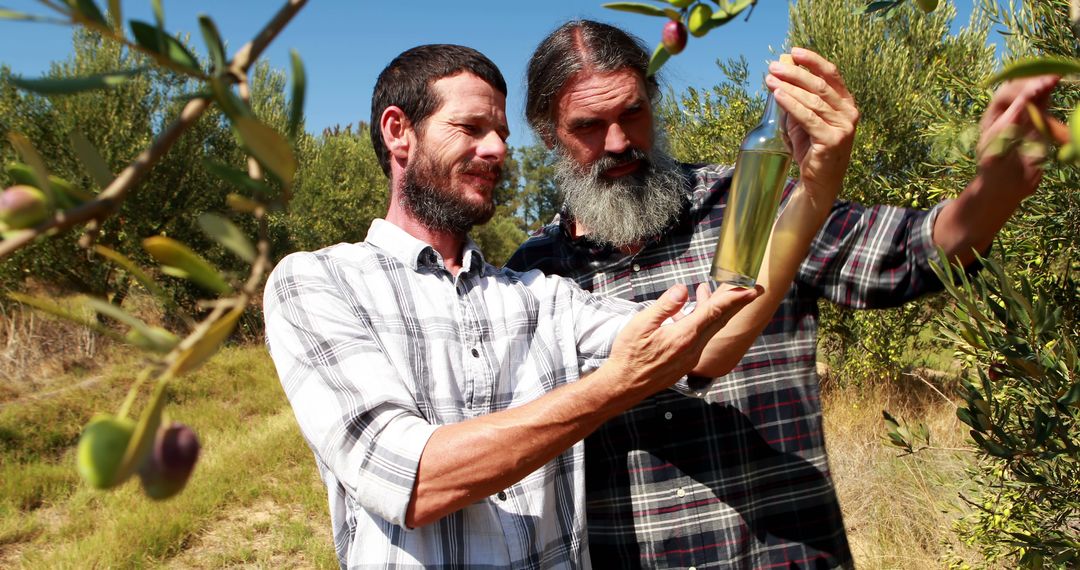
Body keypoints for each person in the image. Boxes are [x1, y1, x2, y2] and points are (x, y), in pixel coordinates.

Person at [263, 43, 843, 569]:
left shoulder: (537, 292)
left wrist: (815, 190)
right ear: (399, 132)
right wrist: (611, 387)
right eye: (470, 127)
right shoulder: (318, 283)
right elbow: (412, 482)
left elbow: (707, 347)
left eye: (500, 133)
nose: (496, 149)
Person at [505, 20, 1059, 569]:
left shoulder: (753, 197)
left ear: (654, 100)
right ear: (549, 133)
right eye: (589, 126)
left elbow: (915, 252)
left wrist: (996, 185)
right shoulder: (534, 275)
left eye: (633, 113)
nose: (620, 142)